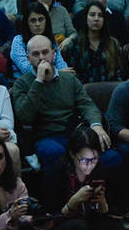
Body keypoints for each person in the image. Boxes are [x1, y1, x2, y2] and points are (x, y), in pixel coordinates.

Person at [11, 34, 117, 180]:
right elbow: (25, 116)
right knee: (55, 153)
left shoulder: (69, 79)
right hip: (47, 136)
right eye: (36, 54)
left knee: (112, 157)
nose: (42, 57)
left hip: (74, 133)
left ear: (54, 54)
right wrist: (39, 81)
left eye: (45, 52)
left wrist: (96, 125)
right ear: (28, 59)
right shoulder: (22, 84)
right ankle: (59, 202)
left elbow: (87, 104)